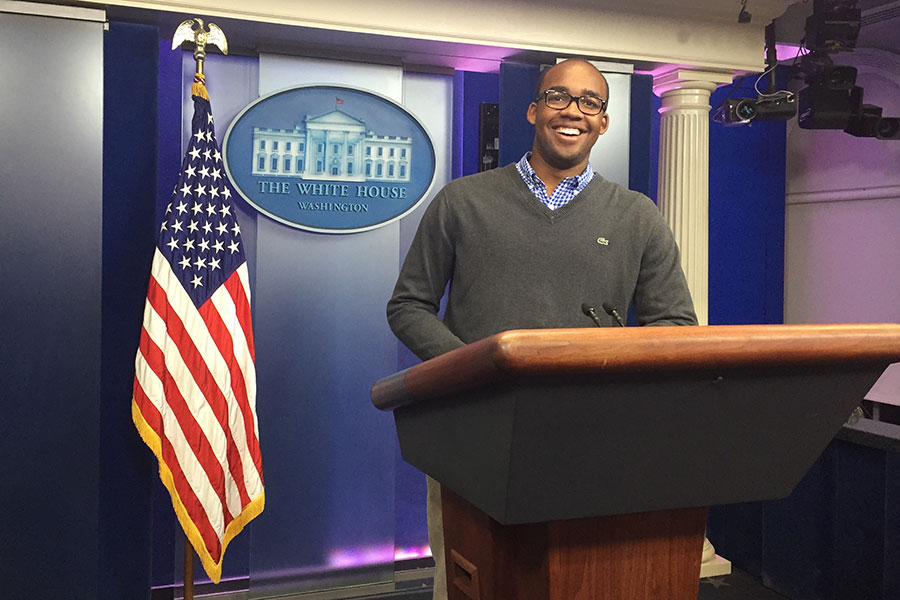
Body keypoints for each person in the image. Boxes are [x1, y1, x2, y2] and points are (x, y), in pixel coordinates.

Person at [386, 59, 697, 600]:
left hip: (591, 437)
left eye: (589, 102)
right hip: (471, 434)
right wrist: (478, 371)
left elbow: (674, 325)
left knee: (577, 579)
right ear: (534, 111)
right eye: (558, 97)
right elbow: (409, 306)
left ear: (603, 123)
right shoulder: (462, 201)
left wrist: (607, 363)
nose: (572, 110)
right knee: (470, 580)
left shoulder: (638, 216)